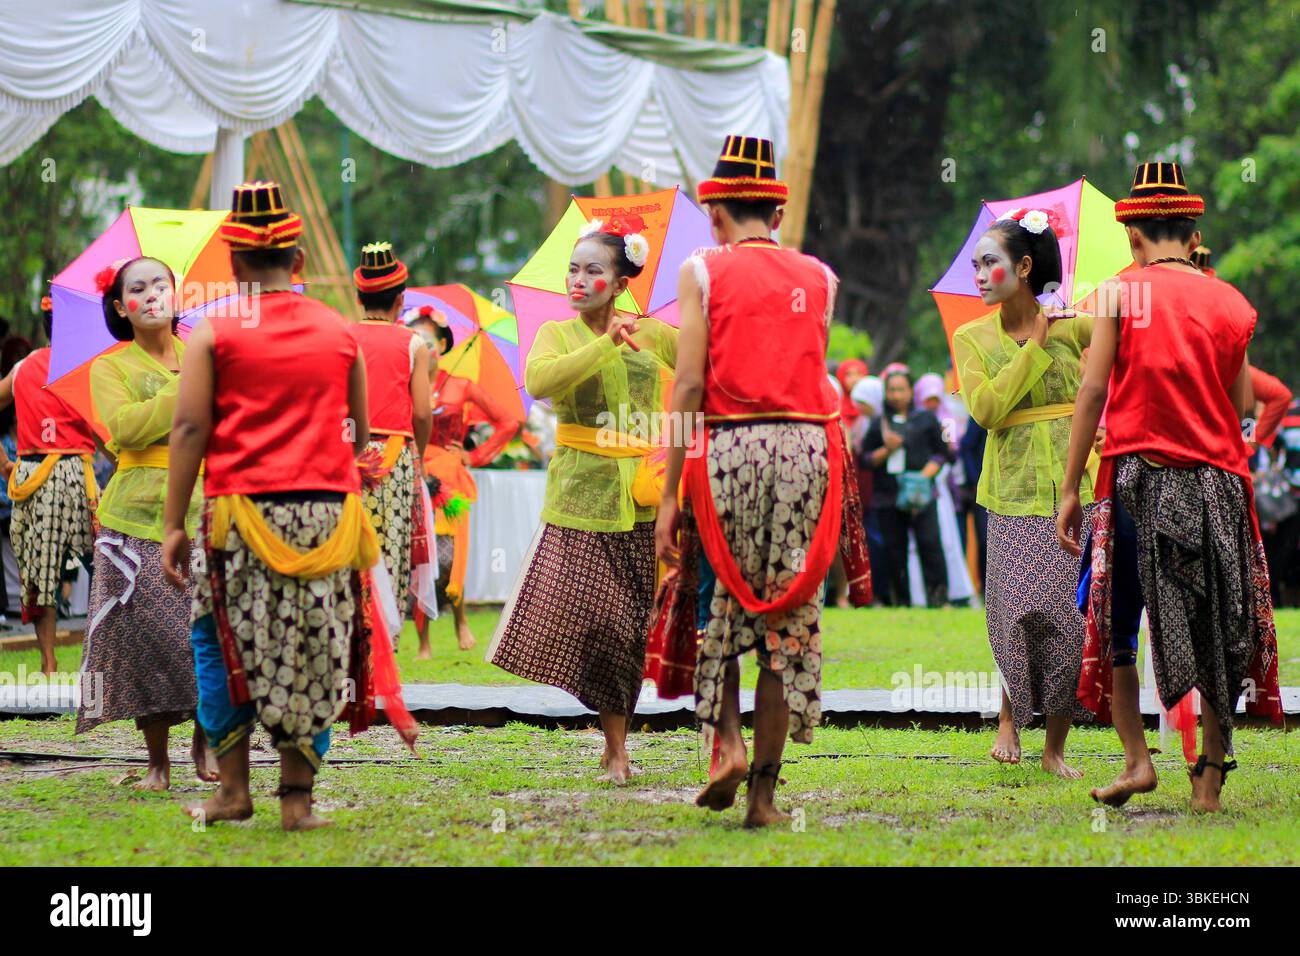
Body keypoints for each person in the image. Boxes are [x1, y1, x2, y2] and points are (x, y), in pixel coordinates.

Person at [654, 135, 869, 826]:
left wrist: (668, 491)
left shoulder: (701, 271)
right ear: (776, 214)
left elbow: (688, 383)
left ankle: (726, 745)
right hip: (807, 449)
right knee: (786, 618)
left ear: (715, 215)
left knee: (713, 598)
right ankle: (765, 802)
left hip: (731, 451)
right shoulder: (821, 277)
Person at [1057, 162, 1283, 811]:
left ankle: (1137, 762)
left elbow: (1093, 389)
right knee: (1217, 625)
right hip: (1218, 485)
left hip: (1138, 480)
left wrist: (1071, 487)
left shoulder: (1119, 293)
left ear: (1133, 234)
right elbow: (1242, 402)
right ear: (1192, 233)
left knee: (1119, 624)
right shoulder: (1232, 302)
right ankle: (1209, 778)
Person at [162, 181, 384, 831]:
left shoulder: (213, 330)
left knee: (221, 642)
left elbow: (188, 431)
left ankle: (233, 792)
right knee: (315, 644)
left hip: (239, 516)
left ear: (233, 264)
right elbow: (361, 435)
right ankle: (298, 801)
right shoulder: (341, 331)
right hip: (325, 515)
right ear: (300, 262)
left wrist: (174, 523)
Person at [488, 213, 674, 784]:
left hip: (644, 498)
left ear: (621, 283)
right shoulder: (556, 335)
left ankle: (617, 747)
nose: (577, 280)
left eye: (593, 271)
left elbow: (701, 372)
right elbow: (541, 384)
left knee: (630, 626)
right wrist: (605, 347)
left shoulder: (656, 334)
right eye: (572, 269)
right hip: (578, 497)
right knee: (597, 620)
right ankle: (612, 740)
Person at [952, 210, 1094, 775]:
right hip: (1008, 492)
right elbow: (986, 411)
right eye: (976, 265)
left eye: (991, 263)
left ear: (1026, 267)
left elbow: (1119, 356)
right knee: (1014, 612)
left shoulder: (1075, 325)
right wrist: (1035, 344)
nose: (980, 274)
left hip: (1072, 487)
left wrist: (1081, 311)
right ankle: (1009, 717)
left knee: (1067, 615)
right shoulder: (971, 336)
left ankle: (1054, 748)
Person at [70, 256, 216, 788]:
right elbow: (126, 430)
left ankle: (205, 746)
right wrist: (188, 390)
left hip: (204, 509)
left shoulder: (203, 352)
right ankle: (157, 760)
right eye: (139, 287)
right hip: (132, 518)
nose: (152, 293)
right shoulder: (109, 367)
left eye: (162, 283)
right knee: (144, 638)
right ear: (120, 306)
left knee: (205, 632)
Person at [408, 307, 519, 653]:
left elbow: (509, 421)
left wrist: (475, 455)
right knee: (418, 553)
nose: (420, 346)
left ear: (441, 345)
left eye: (427, 340)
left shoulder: (461, 385)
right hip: (413, 472)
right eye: (414, 340)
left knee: (450, 555)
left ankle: (460, 623)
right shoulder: (403, 384)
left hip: (451, 478)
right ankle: (423, 641)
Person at [0, 295, 97, 674]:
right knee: (106, 566)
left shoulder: (24, 367)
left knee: (41, 574)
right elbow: (106, 431)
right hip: (77, 475)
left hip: (32, 475)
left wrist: (5, 463)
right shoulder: (89, 368)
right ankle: (110, 658)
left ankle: (49, 665)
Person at [349, 243, 432, 617]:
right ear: (401, 299)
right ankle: (387, 643)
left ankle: (353, 633)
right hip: (396, 459)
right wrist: (422, 455)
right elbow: (423, 413)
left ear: (359, 295)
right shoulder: (413, 343)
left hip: (347, 457)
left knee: (350, 545)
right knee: (392, 549)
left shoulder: (343, 336)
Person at [861, 369, 949, 607]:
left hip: (921, 493)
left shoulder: (926, 419)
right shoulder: (879, 422)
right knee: (894, 551)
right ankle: (900, 602)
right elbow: (865, 460)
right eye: (891, 390)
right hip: (887, 495)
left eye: (901, 389)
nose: (896, 395)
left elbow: (943, 454)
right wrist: (886, 449)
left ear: (911, 392)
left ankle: (939, 599)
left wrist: (922, 478)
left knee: (930, 544)